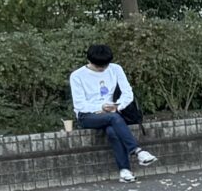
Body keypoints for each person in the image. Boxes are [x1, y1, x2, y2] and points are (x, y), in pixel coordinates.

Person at [68, 43, 158, 183]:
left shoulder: (116, 69)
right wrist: (101, 107)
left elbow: (128, 93)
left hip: (112, 113)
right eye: (99, 67)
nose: (103, 69)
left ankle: (125, 171)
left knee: (112, 131)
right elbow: (80, 105)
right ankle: (137, 152)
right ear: (89, 61)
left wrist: (118, 106)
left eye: (105, 66)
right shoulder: (77, 76)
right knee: (113, 118)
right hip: (87, 115)